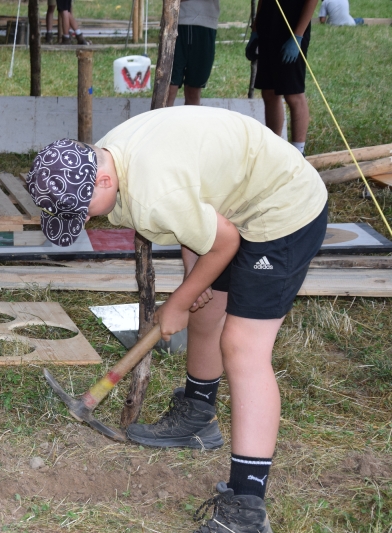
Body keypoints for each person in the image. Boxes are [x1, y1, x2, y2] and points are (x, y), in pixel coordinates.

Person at [27, 106, 328, 532]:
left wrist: (178, 303)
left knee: (243, 347)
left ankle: (247, 505)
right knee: (208, 310)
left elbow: (220, 239)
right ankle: (197, 417)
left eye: (82, 210)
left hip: (283, 211)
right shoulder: (109, 155)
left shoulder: (151, 191)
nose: (86, 219)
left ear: (104, 181)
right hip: (236, 205)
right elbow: (196, 212)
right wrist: (193, 283)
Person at [246, 0, 319, 155]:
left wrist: (298, 35)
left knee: (293, 94)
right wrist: (256, 30)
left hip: (292, 29)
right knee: (269, 92)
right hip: (268, 28)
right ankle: (274, 149)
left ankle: (298, 152)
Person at [167, 0, 220, 106]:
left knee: (194, 87)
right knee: (169, 86)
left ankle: (191, 117)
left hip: (206, 22)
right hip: (176, 21)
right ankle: (162, 116)